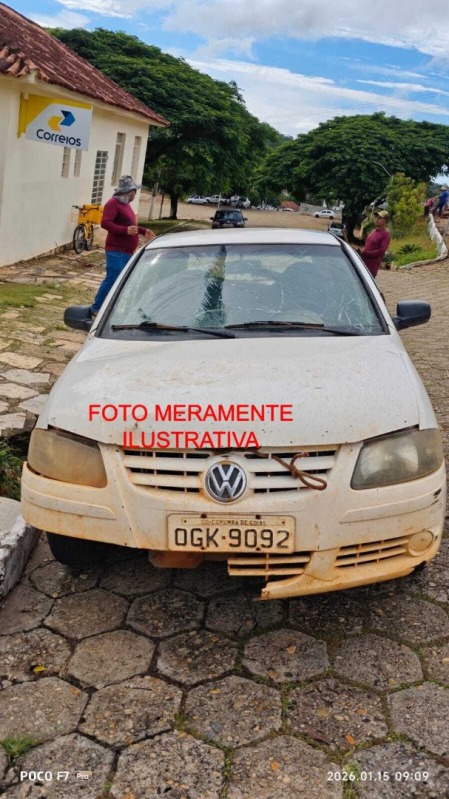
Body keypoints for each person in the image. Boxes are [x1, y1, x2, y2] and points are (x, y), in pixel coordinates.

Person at [91, 175, 155, 316]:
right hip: (116, 251)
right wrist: (124, 231)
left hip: (126, 252)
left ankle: (110, 308)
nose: (135, 195)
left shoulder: (126, 205)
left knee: (121, 281)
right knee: (112, 278)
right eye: (135, 191)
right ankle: (97, 308)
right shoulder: (113, 203)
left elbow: (130, 225)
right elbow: (105, 223)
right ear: (130, 191)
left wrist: (143, 231)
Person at [359, 210, 391, 279]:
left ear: (385, 221)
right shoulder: (373, 231)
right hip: (362, 264)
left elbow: (382, 251)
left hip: (371, 268)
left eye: (380, 218)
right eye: (377, 217)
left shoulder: (386, 235)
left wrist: (367, 253)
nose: (377, 219)